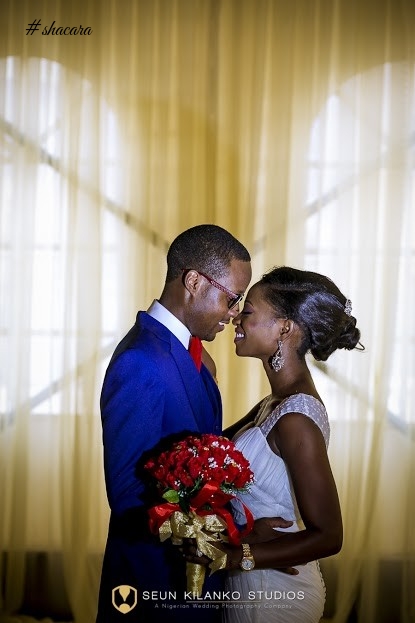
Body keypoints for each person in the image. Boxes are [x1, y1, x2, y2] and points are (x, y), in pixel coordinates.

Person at [95, 224, 253, 622]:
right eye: (232, 298)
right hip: (155, 584)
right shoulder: (140, 361)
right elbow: (128, 494)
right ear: (195, 282)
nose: (235, 313)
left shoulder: (192, 353)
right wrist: (203, 524)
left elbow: (202, 442)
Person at [187, 266, 363, 622]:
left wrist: (237, 555)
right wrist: (200, 367)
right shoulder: (275, 402)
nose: (235, 316)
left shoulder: (296, 417)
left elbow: (330, 536)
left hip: (277, 594)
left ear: (285, 327)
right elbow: (209, 449)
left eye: (247, 311)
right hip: (251, 584)